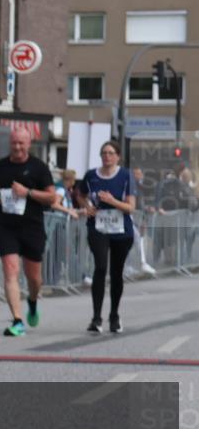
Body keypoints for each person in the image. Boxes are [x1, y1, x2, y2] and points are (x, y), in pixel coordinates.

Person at [0, 127, 56, 337]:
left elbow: (52, 197)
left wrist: (27, 192)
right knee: (10, 270)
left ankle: (33, 301)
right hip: (7, 227)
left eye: (21, 143)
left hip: (32, 227)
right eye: (14, 143)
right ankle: (17, 320)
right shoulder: (1, 165)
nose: (17, 147)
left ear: (29, 144)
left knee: (34, 278)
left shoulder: (39, 168)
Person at [75, 141, 136, 334]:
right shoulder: (91, 175)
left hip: (121, 230)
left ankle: (114, 316)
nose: (107, 156)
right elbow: (80, 194)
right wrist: (86, 206)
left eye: (111, 153)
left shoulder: (126, 175)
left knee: (116, 273)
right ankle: (96, 318)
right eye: (104, 153)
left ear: (117, 156)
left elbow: (130, 207)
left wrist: (112, 201)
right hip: (98, 227)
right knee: (100, 267)